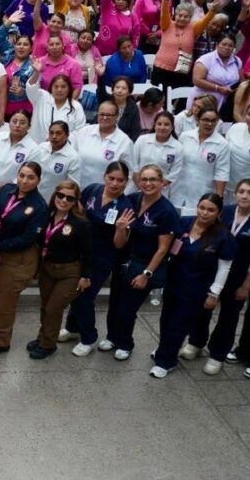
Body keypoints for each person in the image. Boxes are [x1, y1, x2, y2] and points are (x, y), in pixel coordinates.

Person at [150, 193, 234, 378]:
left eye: (210, 210)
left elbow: (224, 267)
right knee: (166, 320)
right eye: (202, 208)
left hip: (197, 289)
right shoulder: (184, 223)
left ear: (219, 213)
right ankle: (165, 348)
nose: (204, 213)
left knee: (179, 325)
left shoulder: (223, 236)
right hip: (174, 283)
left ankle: (166, 361)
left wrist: (214, 293)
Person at [103, 164, 178, 360]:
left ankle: (125, 343)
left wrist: (146, 274)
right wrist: (119, 229)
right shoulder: (132, 200)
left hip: (144, 265)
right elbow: (120, 240)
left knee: (127, 308)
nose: (148, 183)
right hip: (124, 261)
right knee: (115, 303)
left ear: (162, 183)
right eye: (144, 179)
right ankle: (112, 337)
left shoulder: (166, 211)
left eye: (153, 179)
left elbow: (163, 249)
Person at [0, 162, 49, 357]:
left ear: (38, 180)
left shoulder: (39, 207)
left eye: (31, 177)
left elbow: (27, 239)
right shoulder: (6, 190)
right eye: (22, 175)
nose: (24, 181)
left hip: (18, 257)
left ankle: (1, 340)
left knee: (5, 299)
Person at [62, 162, 133, 356]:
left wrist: (120, 229)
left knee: (84, 297)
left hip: (102, 258)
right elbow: (78, 210)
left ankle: (88, 337)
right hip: (80, 252)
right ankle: (72, 327)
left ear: (126, 182)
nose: (115, 183)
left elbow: (119, 244)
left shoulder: (126, 207)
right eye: (111, 178)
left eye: (120, 180)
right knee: (75, 292)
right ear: (104, 177)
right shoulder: (92, 190)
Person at [192, 180, 250, 373]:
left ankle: (217, 354)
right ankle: (196, 342)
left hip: (238, 276)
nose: (244, 196)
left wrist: (246, 285)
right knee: (203, 308)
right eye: (241, 191)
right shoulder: (225, 211)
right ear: (235, 193)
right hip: (213, 271)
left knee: (229, 317)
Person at [27, 180, 91, 359]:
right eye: (60, 195)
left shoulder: (81, 223)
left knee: (53, 309)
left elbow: (88, 252)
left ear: (75, 201)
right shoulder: (45, 216)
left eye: (69, 198)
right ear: (55, 195)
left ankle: (48, 344)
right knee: (45, 306)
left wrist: (85, 276)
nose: (63, 200)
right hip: (47, 269)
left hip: (69, 273)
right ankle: (42, 337)